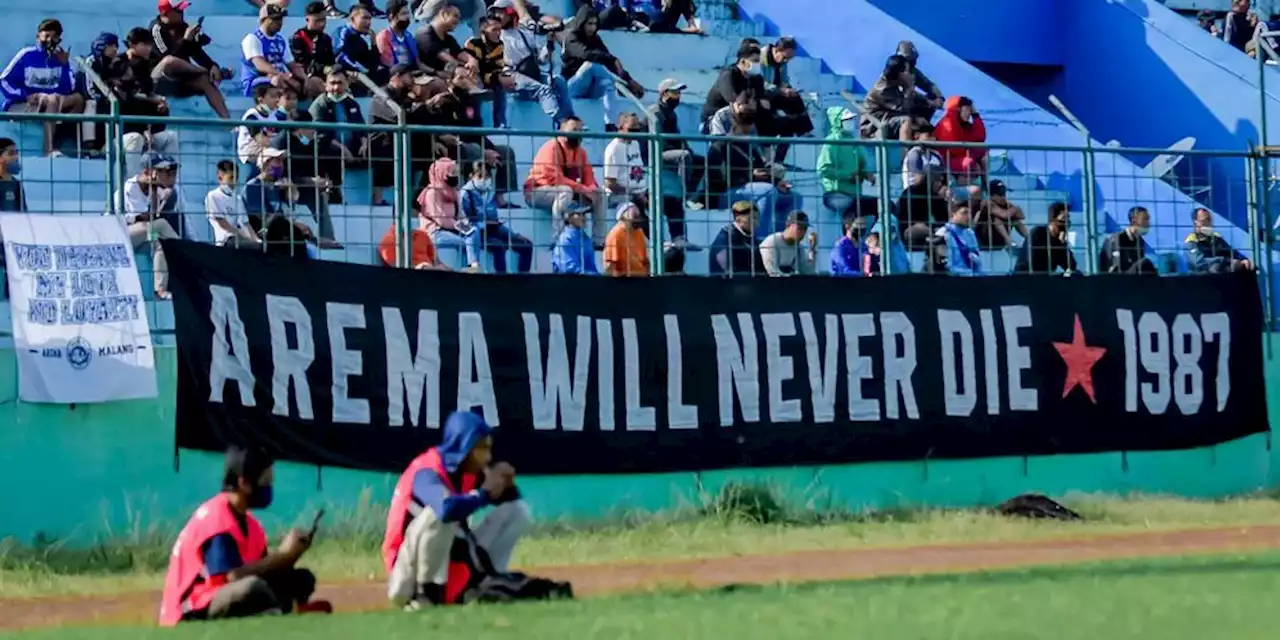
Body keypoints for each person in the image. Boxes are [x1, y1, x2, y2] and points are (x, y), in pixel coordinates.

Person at [159, 446, 332, 626]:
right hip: (191, 608)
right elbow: (231, 577)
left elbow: (265, 570)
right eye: (266, 482)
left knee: (302, 579)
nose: (269, 488)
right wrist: (282, 555)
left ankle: (282, 612)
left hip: (227, 594)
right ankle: (283, 613)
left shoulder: (251, 524)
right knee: (251, 588)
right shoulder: (216, 520)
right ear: (244, 484)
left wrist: (292, 554)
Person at [384, 411, 531, 609]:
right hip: (405, 572)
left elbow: (505, 499)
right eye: (481, 449)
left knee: (516, 511)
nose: (487, 457)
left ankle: (491, 579)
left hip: (445, 557)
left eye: (489, 449)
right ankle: (424, 596)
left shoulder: (466, 471)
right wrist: (484, 494)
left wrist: (506, 484)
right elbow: (446, 510)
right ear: (464, 445)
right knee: (442, 513)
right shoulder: (426, 470)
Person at [91, 30, 179, 174]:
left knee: (171, 137)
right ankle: (134, 184)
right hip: (114, 140)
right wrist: (142, 131)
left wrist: (161, 111)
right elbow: (113, 122)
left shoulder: (141, 89)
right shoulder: (110, 93)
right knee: (135, 138)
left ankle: (171, 184)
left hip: (144, 135)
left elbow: (150, 115)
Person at [707, 104, 801, 236]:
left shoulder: (750, 147)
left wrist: (776, 182)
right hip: (724, 193)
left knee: (794, 197)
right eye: (745, 123)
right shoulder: (720, 146)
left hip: (751, 189)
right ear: (734, 123)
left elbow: (761, 171)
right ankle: (759, 239)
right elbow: (716, 179)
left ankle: (781, 238)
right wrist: (749, 176)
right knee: (768, 192)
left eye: (750, 123)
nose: (749, 128)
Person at [1, 19, 85, 154]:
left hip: (51, 103)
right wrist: (24, 95)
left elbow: (69, 88)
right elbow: (3, 81)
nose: (49, 41)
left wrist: (64, 65)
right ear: (38, 36)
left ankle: (60, 139)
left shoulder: (59, 58)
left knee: (78, 99)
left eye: (54, 37)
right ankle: (49, 150)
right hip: (22, 104)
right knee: (51, 100)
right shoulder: (26, 55)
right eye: (46, 36)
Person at [525, 117, 609, 247]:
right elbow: (554, 178)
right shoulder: (551, 147)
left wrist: (591, 189)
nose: (578, 133)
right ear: (562, 130)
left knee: (600, 193)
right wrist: (582, 189)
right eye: (574, 129)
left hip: (568, 192)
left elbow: (589, 175)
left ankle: (599, 241)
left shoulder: (581, 152)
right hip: (538, 192)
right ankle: (558, 238)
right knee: (565, 191)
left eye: (581, 130)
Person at [111, 153, 185, 297]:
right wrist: (159, 205)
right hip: (121, 235)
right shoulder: (131, 187)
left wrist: (163, 197)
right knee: (162, 224)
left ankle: (160, 289)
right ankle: (186, 254)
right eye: (164, 171)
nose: (168, 175)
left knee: (162, 244)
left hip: (140, 235)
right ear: (147, 172)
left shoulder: (154, 188)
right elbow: (142, 219)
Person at [561, 7, 645, 131]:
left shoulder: (595, 39)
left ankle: (610, 123)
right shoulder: (572, 37)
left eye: (595, 24)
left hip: (590, 88)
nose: (592, 28)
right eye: (589, 24)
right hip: (572, 87)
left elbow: (610, 62)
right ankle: (623, 86)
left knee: (607, 83)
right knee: (592, 65)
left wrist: (628, 78)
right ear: (582, 22)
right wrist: (611, 59)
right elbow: (586, 54)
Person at [269, 113, 341, 248]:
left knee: (319, 195)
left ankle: (327, 239)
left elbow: (306, 167)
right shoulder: (281, 143)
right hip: (278, 186)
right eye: (310, 127)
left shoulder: (299, 143)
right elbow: (281, 175)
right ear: (301, 128)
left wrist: (320, 181)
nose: (313, 131)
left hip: (297, 184)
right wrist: (311, 181)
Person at [150, 0, 232, 118]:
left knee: (205, 80)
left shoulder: (183, 27)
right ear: (166, 13)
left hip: (181, 79)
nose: (182, 13)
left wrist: (212, 65)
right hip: (160, 79)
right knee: (170, 61)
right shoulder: (156, 29)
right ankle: (207, 72)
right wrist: (185, 40)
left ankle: (229, 123)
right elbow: (168, 58)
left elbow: (196, 52)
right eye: (178, 10)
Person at [494, 5, 573, 128]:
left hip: (531, 73)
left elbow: (540, 60)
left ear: (510, 14)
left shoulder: (523, 32)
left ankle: (571, 119)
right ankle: (562, 122)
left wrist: (548, 46)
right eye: (495, 13)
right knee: (543, 90)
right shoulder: (497, 35)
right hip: (511, 75)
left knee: (559, 81)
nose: (498, 16)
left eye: (501, 13)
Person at [460, 160, 533, 273]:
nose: (484, 180)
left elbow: (495, 219)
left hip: (494, 229)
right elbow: (462, 220)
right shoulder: (466, 194)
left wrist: (515, 235)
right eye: (480, 176)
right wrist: (478, 229)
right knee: (499, 246)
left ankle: (523, 280)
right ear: (471, 176)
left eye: (487, 176)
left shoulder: (489, 192)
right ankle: (501, 282)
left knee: (526, 244)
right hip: (479, 234)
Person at [308, 69, 368, 200]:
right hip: (330, 147)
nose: (336, 87)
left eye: (340, 83)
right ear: (326, 85)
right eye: (332, 83)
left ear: (347, 84)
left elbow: (362, 126)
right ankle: (334, 191)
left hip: (351, 146)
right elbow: (321, 134)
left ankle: (378, 197)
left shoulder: (351, 103)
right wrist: (343, 149)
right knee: (328, 150)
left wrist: (364, 143)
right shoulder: (320, 104)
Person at [648, 78, 705, 211]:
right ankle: (683, 197)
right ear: (664, 94)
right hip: (656, 152)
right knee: (683, 156)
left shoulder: (672, 114)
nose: (678, 96)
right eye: (674, 92)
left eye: (679, 93)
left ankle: (691, 196)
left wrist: (687, 148)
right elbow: (659, 140)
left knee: (700, 160)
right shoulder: (654, 112)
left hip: (670, 151)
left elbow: (678, 138)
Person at [242, 4, 317, 98]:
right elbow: (260, 65)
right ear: (264, 20)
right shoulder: (252, 38)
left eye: (281, 19)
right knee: (278, 81)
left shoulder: (281, 40)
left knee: (314, 83)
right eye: (276, 19)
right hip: (256, 81)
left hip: (281, 77)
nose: (280, 22)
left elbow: (292, 64)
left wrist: (305, 79)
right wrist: (284, 76)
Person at [418, 157, 481, 270]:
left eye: (456, 172)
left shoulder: (453, 191)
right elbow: (441, 220)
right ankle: (470, 267)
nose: (455, 176)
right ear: (442, 174)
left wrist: (466, 224)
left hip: (452, 228)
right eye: (452, 173)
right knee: (465, 242)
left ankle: (472, 265)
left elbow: (460, 213)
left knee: (475, 231)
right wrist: (460, 226)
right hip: (435, 232)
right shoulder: (432, 193)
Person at [757, 37, 813, 162]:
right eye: (785, 57)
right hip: (761, 98)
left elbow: (784, 80)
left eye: (789, 59)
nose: (786, 61)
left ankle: (804, 129)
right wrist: (781, 90)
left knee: (791, 118)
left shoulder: (782, 63)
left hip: (775, 94)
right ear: (776, 51)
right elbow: (759, 83)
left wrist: (787, 88)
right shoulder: (759, 59)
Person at [817, 107, 876, 221]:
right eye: (846, 120)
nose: (850, 123)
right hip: (835, 194)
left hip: (854, 194)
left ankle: (871, 237)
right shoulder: (831, 142)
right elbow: (823, 170)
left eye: (852, 119)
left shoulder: (853, 141)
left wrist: (867, 175)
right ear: (838, 121)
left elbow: (862, 165)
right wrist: (848, 176)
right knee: (852, 208)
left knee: (880, 206)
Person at [897, 123, 949, 249]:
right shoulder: (914, 154)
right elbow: (918, 179)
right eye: (928, 135)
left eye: (933, 136)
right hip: (913, 206)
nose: (932, 139)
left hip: (932, 200)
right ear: (917, 136)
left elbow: (945, 176)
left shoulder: (936, 155)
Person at [701, 42, 766, 132]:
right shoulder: (728, 75)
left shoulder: (756, 78)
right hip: (715, 120)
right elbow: (735, 103)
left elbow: (763, 102)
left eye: (759, 61)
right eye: (754, 61)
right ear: (743, 62)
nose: (758, 64)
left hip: (742, 118)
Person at [465, 14, 515, 128]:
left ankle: (500, 124)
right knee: (475, 86)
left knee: (500, 86)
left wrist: (502, 77)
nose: (498, 33)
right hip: (473, 78)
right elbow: (476, 67)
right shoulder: (473, 43)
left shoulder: (500, 45)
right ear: (483, 30)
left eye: (499, 29)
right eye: (494, 30)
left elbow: (497, 67)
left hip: (490, 78)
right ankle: (476, 126)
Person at [860, 54, 921, 142]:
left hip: (887, 119)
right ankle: (905, 154)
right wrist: (908, 90)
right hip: (873, 127)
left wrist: (930, 102)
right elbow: (905, 111)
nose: (909, 74)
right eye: (907, 71)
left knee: (921, 122)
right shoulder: (883, 90)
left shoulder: (893, 81)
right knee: (906, 120)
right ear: (900, 73)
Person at [237, 84, 288, 180]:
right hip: (251, 154)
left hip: (269, 151)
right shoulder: (252, 116)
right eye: (273, 96)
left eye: (277, 96)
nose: (277, 100)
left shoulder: (273, 116)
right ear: (261, 100)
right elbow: (261, 141)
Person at [933, 96, 987, 185]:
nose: (969, 113)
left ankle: (985, 185)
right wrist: (971, 152)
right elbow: (955, 149)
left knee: (983, 151)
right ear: (957, 109)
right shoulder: (947, 122)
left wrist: (976, 115)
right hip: (945, 160)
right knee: (970, 164)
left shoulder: (964, 125)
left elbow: (980, 137)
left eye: (970, 110)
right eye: (967, 109)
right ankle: (958, 195)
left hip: (959, 158)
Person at [206, 160, 259, 248]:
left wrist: (256, 239)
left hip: (242, 239)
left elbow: (246, 223)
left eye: (236, 178)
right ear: (220, 177)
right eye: (231, 178)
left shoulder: (238, 199)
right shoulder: (213, 196)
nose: (234, 182)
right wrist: (243, 236)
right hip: (226, 240)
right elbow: (222, 223)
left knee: (263, 241)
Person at [1015, 201, 1078, 275]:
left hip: (1045, 280)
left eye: (1068, 218)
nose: (1067, 221)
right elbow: (1030, 262)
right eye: (1064, 218)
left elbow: (1071, 266)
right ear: (1053, 219)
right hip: (1025, 278)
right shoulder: (1038, 233)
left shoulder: (1059, 241)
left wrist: (1063, 244)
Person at [416, 4, 477, 77]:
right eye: (455, 16)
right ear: (443, 14)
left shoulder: (449, 38)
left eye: (459, 18)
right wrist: (464, 66)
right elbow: (445, 57)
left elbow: (459, 53)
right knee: (461, 72)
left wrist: (471, 60)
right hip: (428, 76)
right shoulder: (424, 33)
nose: (458, 21)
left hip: (445, 75)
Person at [1185, 207, 1253, 273]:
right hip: (1202, 278)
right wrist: (1225, 260)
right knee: (1216, 267)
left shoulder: (1216, 236)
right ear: (1195, 222)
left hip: (1221, 274)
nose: (1208, 223)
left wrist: (1243, 259)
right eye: (1204, 220)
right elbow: (1199, 262)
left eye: (1209, 219)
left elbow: (1231, 252)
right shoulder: (1192, 240)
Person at [336, 3, 388, 87]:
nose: (368, 22)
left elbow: (373, 64)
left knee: (385, 72)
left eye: (370, 19)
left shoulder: (361, 41)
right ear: (352, 19)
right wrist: (362, 69)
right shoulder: (342, 32)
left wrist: (374, 43)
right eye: (365, 18)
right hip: (344, 73)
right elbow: (340, 56)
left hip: (360, 73)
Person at [378, 210, 452, 269]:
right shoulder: (388, 241)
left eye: (414, 215)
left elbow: (437, 262)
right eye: (411, 215)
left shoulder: (422, 235)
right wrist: (423, 267)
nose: (415, 217)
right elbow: (397, 268)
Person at [710, 201, 766, 276]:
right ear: (737, 217)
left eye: (757, 219)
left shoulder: (750, 236)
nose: (757, 223)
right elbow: (727, 270)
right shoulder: (725, 238)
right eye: (752, 218)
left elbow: (761, 268)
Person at [603, 112, 647, 204]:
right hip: (622, 196)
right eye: (633, 125)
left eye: (638, 125)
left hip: (640, 192)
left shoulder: (635, 144)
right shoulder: (614, 148)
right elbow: (610, 183)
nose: (636, 128)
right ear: (621, 127)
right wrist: (632, 193)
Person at [1099, 207, 1158, 275]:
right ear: (1134, 221)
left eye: (1148, 219)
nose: (1148, 224)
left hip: (1132, 278)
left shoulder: (1139, 241)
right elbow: (1114, 269)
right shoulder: (1117, 239)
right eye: (1145, 219)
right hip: (1117, 279)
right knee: (1145, 263)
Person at [972, 180, 1029, 248]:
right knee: (996, 219)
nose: (1003, 197)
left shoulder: (1005, 203)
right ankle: (1009, 242)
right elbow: (1004, 215)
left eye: (1004, 194)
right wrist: (1015, 209)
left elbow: (1021, 216)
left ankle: (1029, 238)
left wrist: (1013, 210)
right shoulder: (987, 203)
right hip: (985, 238)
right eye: (1001, 194)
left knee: (1015, 220)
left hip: (997, 238)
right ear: (992, 195)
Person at [291, 2, 337, 84]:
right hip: (306, 78)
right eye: (317, 21)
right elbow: (303, 64)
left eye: (324, 20)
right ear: (307, 19)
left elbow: (331, 61)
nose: (322, 24)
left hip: (326, 75)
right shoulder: (298, 37)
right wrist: (326, 69)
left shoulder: (326, 38)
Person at [759, 211, 816, 276]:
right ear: (788, 225)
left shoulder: (799, 248)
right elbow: (772, 272)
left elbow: (809, 272)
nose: (802, 233)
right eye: (799, 228)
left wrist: (812, 249)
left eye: (805, 229)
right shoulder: (771, 242)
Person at [604, 201, 650, 276]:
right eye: (634, 215)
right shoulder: (615, 235)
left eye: (638, 215)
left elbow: (645, 261)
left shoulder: (639, 232)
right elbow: (610, 266)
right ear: (623, 215)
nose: (638, 217)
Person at [938, 201, 982, 276]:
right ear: (953, 214)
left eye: (969, 213)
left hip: (971, 275)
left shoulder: (970, 233)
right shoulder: (943, 232)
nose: (968, 216)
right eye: (964, 213)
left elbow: (977, 258)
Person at [551, 206, 599, 274]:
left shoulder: (586, 239)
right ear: (568, 217)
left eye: (584, 214)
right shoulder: (565, 239)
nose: (583, 218)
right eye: (579, 214)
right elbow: (569, 269)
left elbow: (591, 267)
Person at [377, 0, 422, 70]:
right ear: (392, 17)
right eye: (404, 14)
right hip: (396, 76)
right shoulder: (383, 36)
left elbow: (417, 61)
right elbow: (389, 67)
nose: (408, 17)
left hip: (413, 73)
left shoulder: (408, 35)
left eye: (408, 13)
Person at [829, 211, 865, 277]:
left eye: (863, 225)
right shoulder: (840, 247)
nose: (862, 228)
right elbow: (844, 270)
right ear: (847, 226)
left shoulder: (863, 245)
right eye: (858, 225)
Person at [0, 138, 27, 212]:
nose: (16, 157)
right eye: (11, 153)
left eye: (16, 153)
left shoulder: (17, 184)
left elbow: (24, 214)